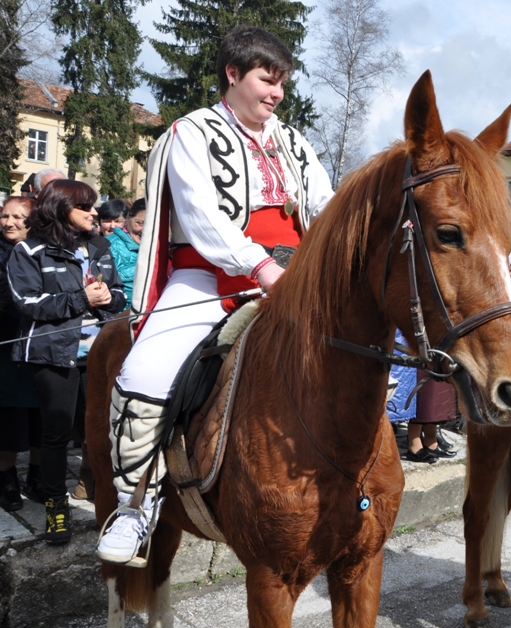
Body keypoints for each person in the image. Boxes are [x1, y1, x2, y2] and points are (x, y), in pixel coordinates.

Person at [95, 26, 333, 564]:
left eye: (281, 84)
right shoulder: (190, 133)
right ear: (233, 74)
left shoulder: (293, 141)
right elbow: (203, 219)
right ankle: (135, 507)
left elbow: (326, 203)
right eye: (265, 81)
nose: (276, 94)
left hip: (292, 281)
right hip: (207, 278)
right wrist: (262, 267)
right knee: (143, 374)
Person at [6, 181, 127, 542]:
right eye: (86, 207)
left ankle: (111, 500)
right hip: (53, 354)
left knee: (106, 430)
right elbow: (28, 303)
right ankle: (56, 506)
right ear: (61, 209)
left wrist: (108, 298)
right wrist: (81, 298)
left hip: (100, 354)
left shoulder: (99, 246)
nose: (95, 212)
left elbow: (118, 295)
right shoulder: (28, 251)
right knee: (57, 433)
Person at [0, 197, 42, 511]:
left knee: (43, 414)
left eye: (18, 217)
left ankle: (38, 476)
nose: (9, 222)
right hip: (5, 346)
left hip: (40, 344)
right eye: (5, 216)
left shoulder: (43, 249)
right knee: (10, 417)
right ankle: (7, 479)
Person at [106, 198, 145, 301]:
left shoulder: (166, 249)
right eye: (140, 223)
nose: (146, 230)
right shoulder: (107, 246)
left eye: (152, 225)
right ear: (127, 218)